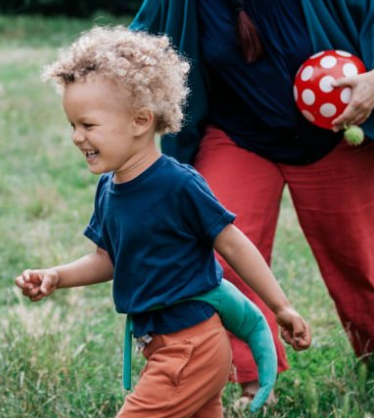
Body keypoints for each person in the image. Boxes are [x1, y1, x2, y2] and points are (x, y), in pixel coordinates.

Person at [130, 0, 374, 406]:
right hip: (238, 137)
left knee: (363, 265)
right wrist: (97, 80)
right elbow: (141, 44)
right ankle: (250, 381)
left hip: (330, 138)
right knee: (217, 256)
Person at [15, 26, 311, 417]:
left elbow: (233, 244)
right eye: (73, 126)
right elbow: (108, 259)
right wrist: (57, 275)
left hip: (189, 346)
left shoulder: (178, 185)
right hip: (164, 345)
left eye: (88, 125)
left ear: (140, 121)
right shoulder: (109, 187)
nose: (76, 137)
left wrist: (281, 307)